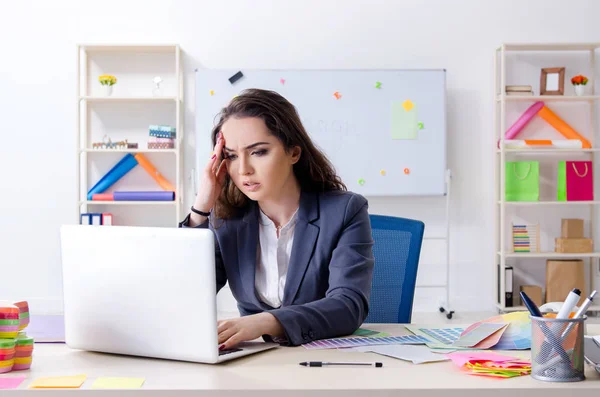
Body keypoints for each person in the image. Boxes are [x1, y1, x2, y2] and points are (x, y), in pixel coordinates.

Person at [179, 88, 374, 349]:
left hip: (326, 360)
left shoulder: (345, 211)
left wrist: (264, 322)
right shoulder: (225, 219)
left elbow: (348, 306)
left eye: (258, 152)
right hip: (254, 360)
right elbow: (183, 294)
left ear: (294, 152)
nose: (244, 169)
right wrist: (201, 209)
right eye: (232, 156)